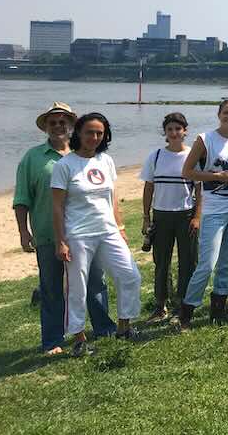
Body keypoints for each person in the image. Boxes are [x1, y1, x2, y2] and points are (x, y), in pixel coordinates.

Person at [13, 103, 115, 356]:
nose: (58, 126)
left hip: (87, 233)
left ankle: (104, 329)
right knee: (51, 288)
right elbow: (22, 197)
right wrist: (24, 232)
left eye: (63, 122)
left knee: (95, 283)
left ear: (72, 126)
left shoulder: (87, 154)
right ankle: (53, 340)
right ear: (46, 127)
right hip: (48, 234)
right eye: (52, 122)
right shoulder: (33, 158)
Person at [52, 113, 142, 356]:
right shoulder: (64, 165)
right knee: (78, 288)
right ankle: (79, 339)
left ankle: (124, 327)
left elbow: (111, 198)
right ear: (78, 133)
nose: (94, 137)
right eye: (89, 132)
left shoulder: (106, 161)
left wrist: (120, 228)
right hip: (78, 235)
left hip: (107, 231)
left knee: (130, 275)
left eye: (99, 133)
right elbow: (57, 207)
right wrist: (61, 241)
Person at [178, 99, 228, 329]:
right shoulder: (205, 139)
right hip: (214, 206)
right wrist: (217, 177)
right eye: (226, 112)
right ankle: (187, 310)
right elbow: (187, 172)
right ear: (219, 114)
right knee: (207, 263)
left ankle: (219, 307)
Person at [140, 112, 196, 321]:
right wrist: (146, 216)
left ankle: (182, 305)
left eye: (178, 129)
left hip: (186, 214)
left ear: (185, 131)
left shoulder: (192, 155)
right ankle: (160, 305)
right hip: (161, 215)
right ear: (165, 132)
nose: (174, 133)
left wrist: (197, 217)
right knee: (161, 262)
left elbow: (199, 190)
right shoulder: (155, 156)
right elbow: (148, 188)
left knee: (188, 261)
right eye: (170, 129)